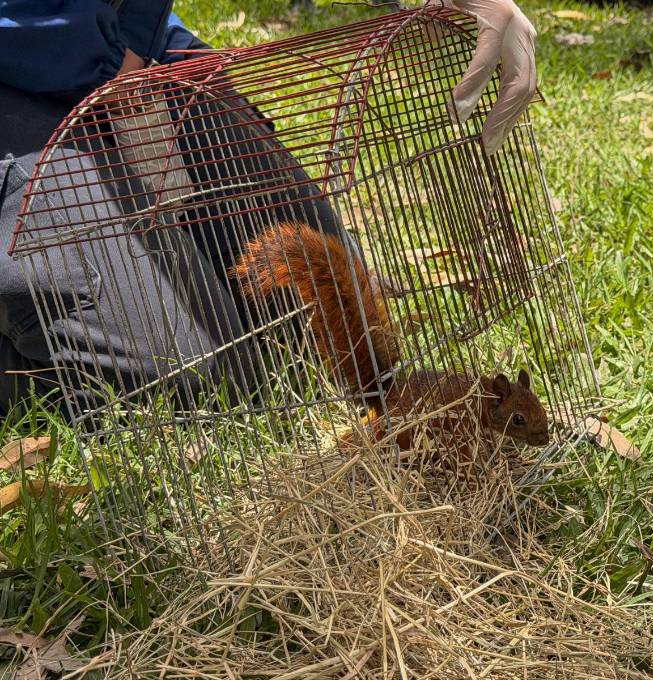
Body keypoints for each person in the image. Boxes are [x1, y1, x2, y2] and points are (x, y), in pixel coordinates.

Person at [0, 0, 537, 418]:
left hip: (133, 52)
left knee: (311, 328)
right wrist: (91, 57)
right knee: (201, 385)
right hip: (24, 72)